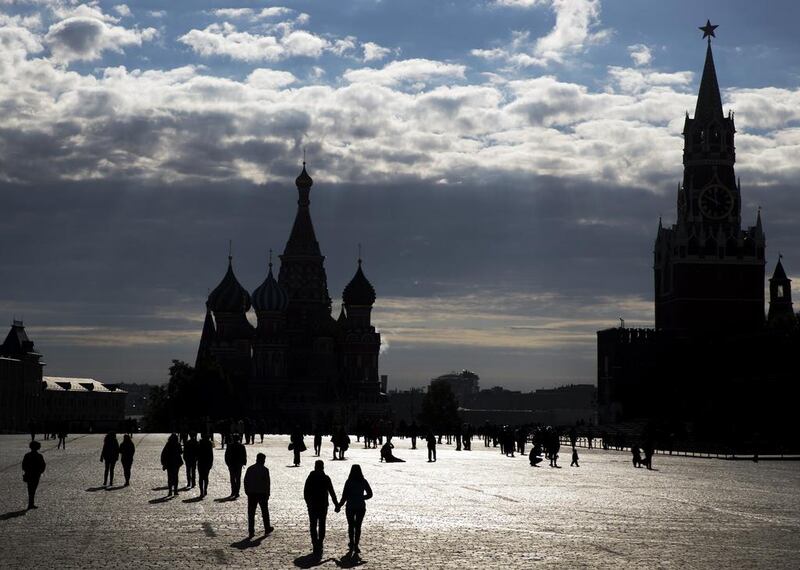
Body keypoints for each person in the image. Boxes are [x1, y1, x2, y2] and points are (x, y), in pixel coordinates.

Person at [303, 460, 339, 557]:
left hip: (313, 505)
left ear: (315, 466)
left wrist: (308, 503)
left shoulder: (310, 478)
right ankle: (320, 542)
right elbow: (332, 492)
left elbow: (305, 491)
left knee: (313, 525)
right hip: (323, 505)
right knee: (322, 524)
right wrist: (336, 504)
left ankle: (315, 543)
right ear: (323, 467)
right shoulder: (326, 478)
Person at [335, 465, 373, 555]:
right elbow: (370, 494)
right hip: (360, 506)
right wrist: (361, 497)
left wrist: (339, 506)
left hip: (350, 506)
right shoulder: (363, 481)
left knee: (351, 526)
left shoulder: (349, 482)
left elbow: (344, 496)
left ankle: (351, 543)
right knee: (358, 526)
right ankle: (356, 545)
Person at [244, 453, 274, 538]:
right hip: (262, 493)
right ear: (263, 460)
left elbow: (246, 481)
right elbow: (267, 483)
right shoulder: (265, 470)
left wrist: (247, 491)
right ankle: (267, 527)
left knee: (251, 512)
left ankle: (251, 531)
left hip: (252, 493)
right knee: (265, 512)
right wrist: (268, 493)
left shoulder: (250, 469)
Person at [22, 440, 46, 509]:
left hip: (29, 474)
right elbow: (43, 465)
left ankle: (31, 503)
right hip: (36, 475)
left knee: (30, 489)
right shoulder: (39, 456)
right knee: (33, 489)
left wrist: (27, 471)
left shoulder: (27, 455)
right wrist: (40, 471)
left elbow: (24, 465)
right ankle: (31, 504)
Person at [197, 432, 214, 498]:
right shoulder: (209, 443)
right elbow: (211, 454)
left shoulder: (199, 443)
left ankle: (201, 491)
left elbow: (197, 453)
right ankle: (205, 490)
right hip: (207, 462)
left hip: (201, 462)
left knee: (201, 477)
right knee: (206, 477)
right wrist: (211, 462)